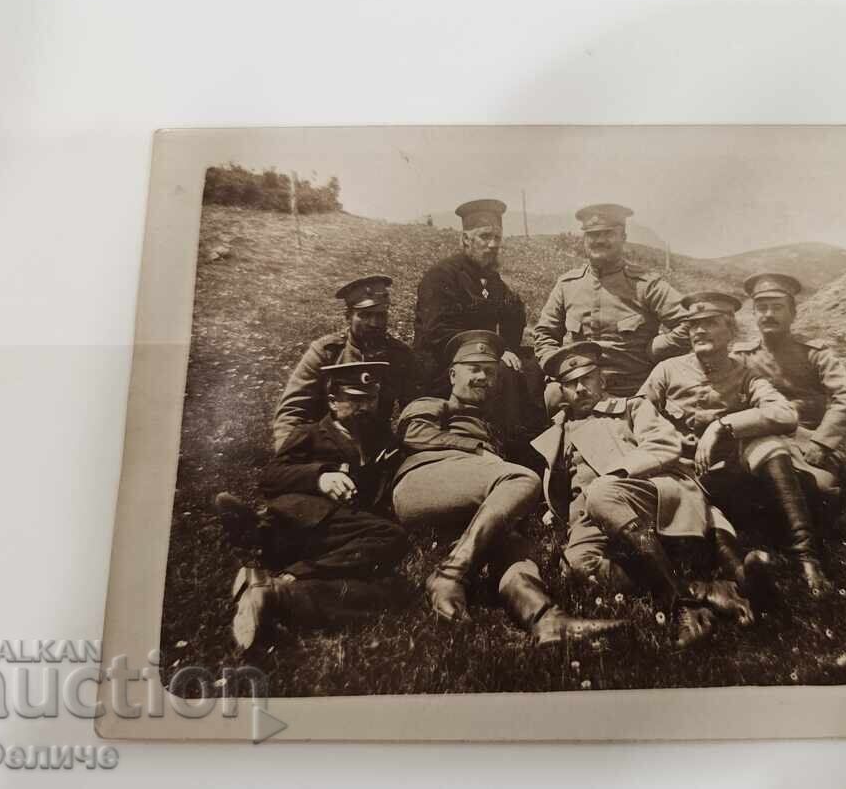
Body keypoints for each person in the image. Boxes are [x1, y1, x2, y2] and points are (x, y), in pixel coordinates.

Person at [391, 330, 626, 645]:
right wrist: (477, 450)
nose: (482, 378)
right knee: (521, 479)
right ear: (452, 375)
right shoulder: (432, 404)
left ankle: (545, 618)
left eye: (490, 372)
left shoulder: (493, 426)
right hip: (424, 481)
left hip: (473, 505)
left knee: (516, 549)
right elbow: (413, 434)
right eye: (474, 369)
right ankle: (450, 574)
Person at [531, 342, 757, 649]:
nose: (580, 389)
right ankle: (702, 588)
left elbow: (664, 445)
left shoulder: (631, 408)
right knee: (580, 566)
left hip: (649, 494)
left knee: (601, 493)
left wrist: (616, 475)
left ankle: (681, 604)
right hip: (593, 513)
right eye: (571, 384)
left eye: (587, 379)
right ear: (562, 391)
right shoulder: (559, 430)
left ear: (603, 381)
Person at [640, 291, 833, 596]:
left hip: (731, 469)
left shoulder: (745, 374)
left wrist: (723, 426)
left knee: (769, 444)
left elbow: (784, 413)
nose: (699, 331)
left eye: (710, 323)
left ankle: (806, 555)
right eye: (694, 324)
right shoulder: (667, 369)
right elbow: (639, 411)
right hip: (683, 469)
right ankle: (742, 567)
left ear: (731, 330)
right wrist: (669, 436)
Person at [220, 361, 410, 652]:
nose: (365, 407)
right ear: (333, 401)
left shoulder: (383, 438)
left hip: (345, 532)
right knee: (391, 536)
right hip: (306, 517)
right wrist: (320, 477)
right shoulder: (309, 433)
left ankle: (277, 592)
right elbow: (271, 477)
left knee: (391, 589)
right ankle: (263, 538)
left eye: (371, 399)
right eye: (355, 400)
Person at [411, 198, 544, 450]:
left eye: (497, 237)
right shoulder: (441, 277)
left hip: (480, 358)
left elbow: (513, 313)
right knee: (503, 372)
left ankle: (533, 437)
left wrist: (508, 347)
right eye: (485, 236)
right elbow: (436, 331)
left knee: (530, 366)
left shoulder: (491, 278)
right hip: (441, 366)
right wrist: (494, 351)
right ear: (465, 239)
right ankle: (508, 444)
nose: (493, 244)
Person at [533, 203, 690, 405]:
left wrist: (655, 350)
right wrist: (559, 368)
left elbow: (690, 322)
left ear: (623, 237)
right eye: (593, 234)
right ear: (584, 239)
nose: (599, 240)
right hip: (579, 388)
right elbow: (545, 334)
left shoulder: (646, 285)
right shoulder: (567, 285)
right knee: (552, 396)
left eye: (608, 233)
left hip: (631, 390)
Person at [732, 273, 846, 500]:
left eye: (777, 307)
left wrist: (821, 443)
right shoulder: (742, 355)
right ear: (754, 314)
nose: (768, 314)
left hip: (804, 438)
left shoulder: (815, 353)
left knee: (818, 488)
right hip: (759, 434)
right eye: (762, 308)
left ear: (793, 313)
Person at [272, 275, 418, 451]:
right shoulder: (326, 352)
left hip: (378, 447)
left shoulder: (399, 355)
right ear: (348, 317)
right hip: (326, 446)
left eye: (381, 315)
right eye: (365, 315)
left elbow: (415, 408)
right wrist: (290, 454)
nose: (374, 323)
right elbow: (292, 411)